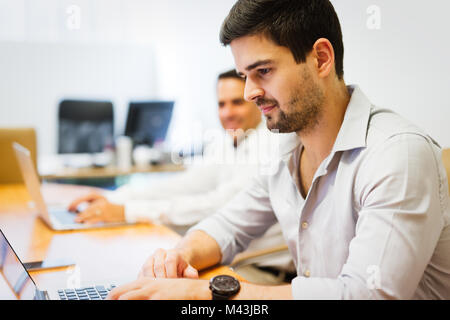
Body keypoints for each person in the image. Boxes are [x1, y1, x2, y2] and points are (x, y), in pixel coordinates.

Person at [107, 0, 450, 300]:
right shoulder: (287, 150)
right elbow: (230, 224)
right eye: (245, 75)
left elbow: (365, 294)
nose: (249, 93)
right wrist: (179, 256)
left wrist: (204, 293)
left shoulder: (397, 154)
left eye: (263, 72)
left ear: (320, 58)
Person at [68, 69, 295, 280]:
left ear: (256, 100)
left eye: (237, 102)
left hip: (257, 270)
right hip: (226, 260)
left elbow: (216, 206)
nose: (227, 113)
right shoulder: (229, 142)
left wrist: (127, 211)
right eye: (221, 104)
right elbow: (186, 184)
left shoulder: (268, 145)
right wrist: (116, 198)